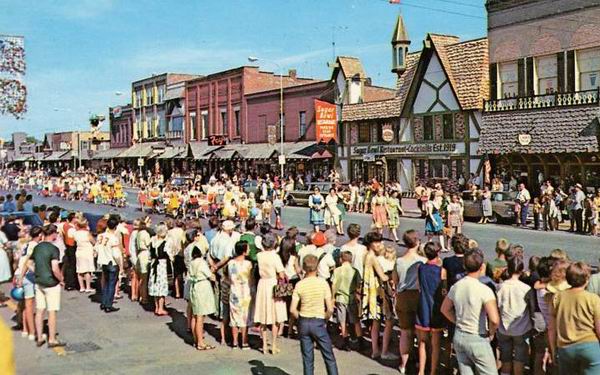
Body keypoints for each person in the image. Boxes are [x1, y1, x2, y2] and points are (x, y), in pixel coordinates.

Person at [441, 248, 499, 375]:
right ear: (481, 266)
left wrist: (456, 320)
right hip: (477, 336)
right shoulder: (485, 290)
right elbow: (494, 319)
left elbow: (444, 309)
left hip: (460, 334)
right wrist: (492, 332)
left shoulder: (456, 286)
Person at [290, 254, 338, 375]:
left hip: (304, 321)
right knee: (329, 356)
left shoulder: (300, 284)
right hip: (318, 321)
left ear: (304, 268)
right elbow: (330, 309)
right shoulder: (322, 283)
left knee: (307, 358)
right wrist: (325, 318)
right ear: (317, 267)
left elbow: (292, 309)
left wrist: (300, 318)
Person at [549, 262, 600, 374]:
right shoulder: (593, 299)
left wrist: (553, 350)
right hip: (590, 346)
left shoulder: (557, 297)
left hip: (566, 348)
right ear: (587, 279)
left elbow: (552, 328)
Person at [393, 229, 426, 373]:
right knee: (420, 333)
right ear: (417, 242)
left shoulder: (399, 261)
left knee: (405, 332)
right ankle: (420, 361)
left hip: (403, 296)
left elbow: (395, 281)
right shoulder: (422, 261)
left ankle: (403, 364)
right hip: (418, 296)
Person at [30, 224, 66, 348]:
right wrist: (61, 279)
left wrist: (37, 271)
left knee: (40, 310)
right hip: (51, 284)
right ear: (53, 234)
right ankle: (52, 339)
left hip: (39, 282)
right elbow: (55, 268)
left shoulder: (37, 247)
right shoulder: (53, 249)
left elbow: (29, 263)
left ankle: (39, 337)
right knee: (52, 311)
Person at [496, 256, 533, 375]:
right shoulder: (526, 288)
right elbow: (531, 308)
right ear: (522, 270)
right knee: (519, 359)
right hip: (521, 328)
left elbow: (497, 306)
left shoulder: (500, 287)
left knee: (505, 358)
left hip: (503, 327)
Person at [415, 242, 446, 375]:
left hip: (423, 305)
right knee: (436, 344)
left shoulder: (420, 268)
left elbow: (418, 286)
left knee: (422, 341)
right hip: (436, 307)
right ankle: (433, 371)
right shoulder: (441, 271)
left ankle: (421, 371)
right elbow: (444, 291)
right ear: (438, 253)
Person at [254, 234, 287, 355]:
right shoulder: (275, 257)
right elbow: (282, 274)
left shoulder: (259, 255)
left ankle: (263, 345)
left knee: (263, 315)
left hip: (262, 284)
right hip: (273, 283)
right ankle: (273, 345)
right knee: (275, 316)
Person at [361, 231, 390, 359]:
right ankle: (380, 351)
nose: (378, 245)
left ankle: (375, 350)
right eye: (376, 242)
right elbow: (382, 276)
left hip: (368, 290)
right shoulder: (372, 257)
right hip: (374, 291)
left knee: (375, 323)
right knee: (381, 320)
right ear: (370, 243)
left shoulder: (366, 254)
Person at [331, 251, 362, 351]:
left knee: (342, 320)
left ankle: (345, 340)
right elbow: (359, 285)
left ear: (341, 259)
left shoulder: (337, 270)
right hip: (352, 297)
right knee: (356, 320)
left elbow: (334, 285)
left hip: (340, 298)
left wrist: (332, 297)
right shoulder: (355, 271)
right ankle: (359, 340)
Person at [188, 246, 217, 351]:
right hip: (202, 287)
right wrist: (212, 270)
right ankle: (200, 342)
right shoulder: (202, 262)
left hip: (194, 286)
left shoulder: (192, 263)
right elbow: (210, 276)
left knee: (195, 315)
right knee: (200, 316)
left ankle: (196, 340)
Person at [228, 241, 253, 350]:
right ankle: (244, 341)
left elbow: (229, 277)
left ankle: (234, 341)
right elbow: (251, 279)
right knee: (244, 317)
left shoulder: (231, 263)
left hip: (234, 290)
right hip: (245, 291)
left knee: (234, 317)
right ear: (243, 251)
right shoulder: (248, 264)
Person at [96, 216, 123, 313]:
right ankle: (108, 304)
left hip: (103, 261)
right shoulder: (114, 238)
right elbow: (116, 254)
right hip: (112, 262)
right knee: (112, 283)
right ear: (115, 227)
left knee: (106, 283)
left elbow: (97, 248)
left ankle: (104, 302)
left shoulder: (100, 236)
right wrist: (121, 265)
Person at [148, 223, 170, 316]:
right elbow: (169, 253)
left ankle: (156, 307)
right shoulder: (166, 242)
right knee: (161, 286)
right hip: (162, 264)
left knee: (155, 285)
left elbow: (150, 253)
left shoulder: (152, 241)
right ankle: (161, 308)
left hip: (154, 264)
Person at [73, 218, 95, 293]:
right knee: (87, 270)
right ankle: (88, 287)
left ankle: (81, 287)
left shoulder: (75, 233)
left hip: (79, 251)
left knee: (79, 270)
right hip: (87, 251)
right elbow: (93, 241)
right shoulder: (87, 233)